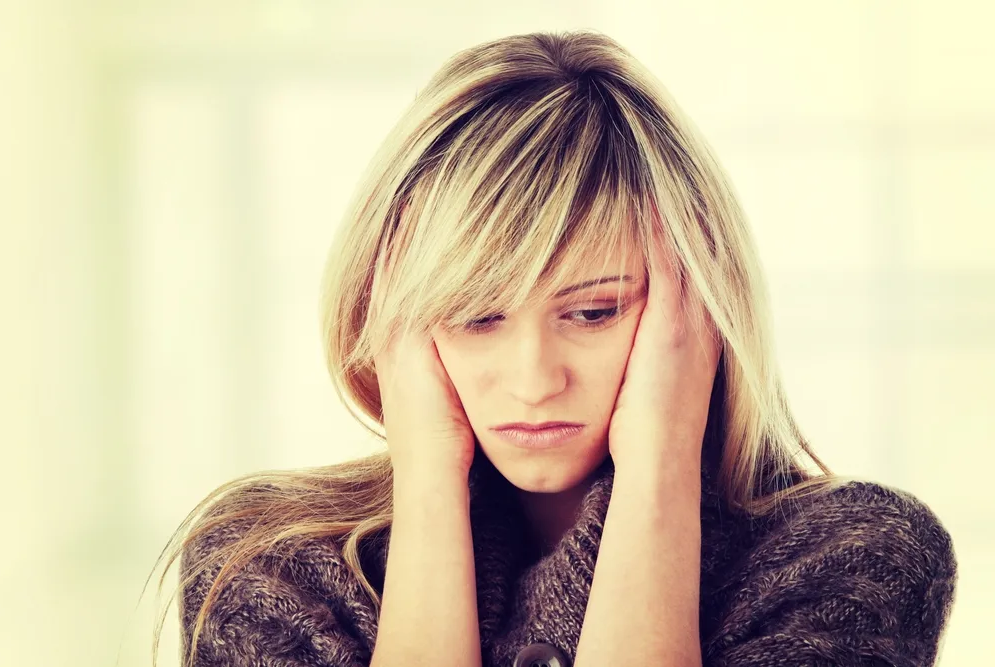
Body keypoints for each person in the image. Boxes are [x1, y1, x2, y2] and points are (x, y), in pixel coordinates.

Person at [152, 30, 957, 667]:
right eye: (475, 316)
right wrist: (428, 485)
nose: (535, 380)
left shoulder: (853, 557)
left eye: (595, 311)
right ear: (398, 319)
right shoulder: (265, 568)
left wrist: (660, 473)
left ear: (700, 310)